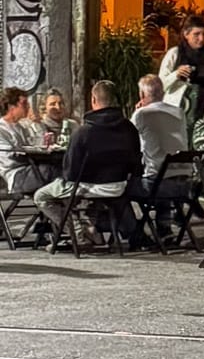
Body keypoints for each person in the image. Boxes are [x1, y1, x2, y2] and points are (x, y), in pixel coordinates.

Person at [35, 80, 142, 245]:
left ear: (93, 100)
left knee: (42, 196)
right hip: (119, 186)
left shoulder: (83, 132)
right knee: (82, 195)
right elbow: (136, 162)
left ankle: (79, 233)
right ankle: (91, 228)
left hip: (87, 185)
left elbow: (71, 172)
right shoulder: (129, 129)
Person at [129, 75, 191, 240]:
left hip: (156, 186)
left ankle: (135, 232)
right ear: (162, 93)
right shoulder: (179, 112)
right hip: (185, 185)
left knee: (122, 188)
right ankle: (164, 228)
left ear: (142, 95)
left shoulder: (141, 114)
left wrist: (136, 112)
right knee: (161, 168)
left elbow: (130, 140)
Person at [159, 14, 204, 146]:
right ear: (186, 34)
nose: (201, 39)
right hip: (178, 110)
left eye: (203, 34)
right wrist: (176, 74)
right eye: (196, 34)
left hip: (202, 110)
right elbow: (160, 84)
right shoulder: (174, 54)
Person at [0, 88, 44, 195]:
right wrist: (31, 157)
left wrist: (37, 124)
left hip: (30, 169)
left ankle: (62, 208)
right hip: (16, 177)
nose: (28, 107)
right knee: (52, 172)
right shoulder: (2, 130)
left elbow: (39, 144)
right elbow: (9, 158)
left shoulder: (22, 127)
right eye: (24, 104)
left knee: (63, 169)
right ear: (11, 107)